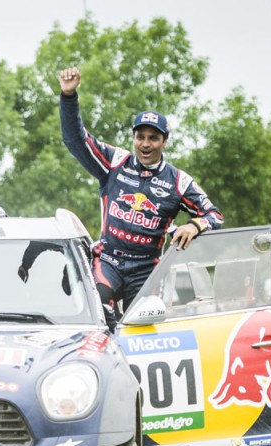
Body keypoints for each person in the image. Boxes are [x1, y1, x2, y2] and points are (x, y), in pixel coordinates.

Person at [58, 66, 223, 313]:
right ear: (134, 138)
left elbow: (215, 215)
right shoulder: (115, 162)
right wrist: (68, 97)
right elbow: (75, 140)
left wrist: (194, 225)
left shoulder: (179, 181)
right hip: (108, 261)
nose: (145, 144)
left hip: (147, 270)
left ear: (164, 141)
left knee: (144, 320)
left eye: (153, 138)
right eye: (140, 137)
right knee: (99, 308)